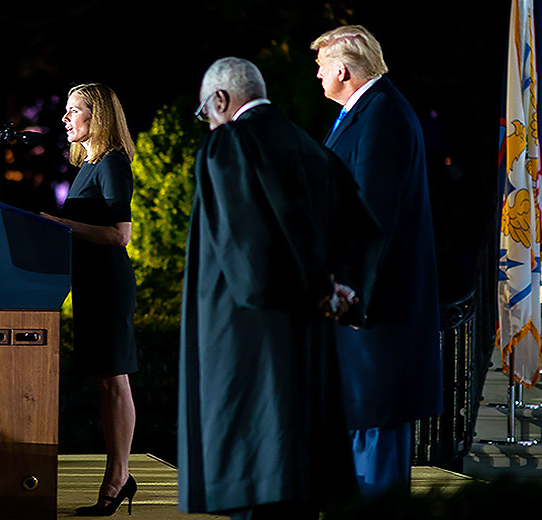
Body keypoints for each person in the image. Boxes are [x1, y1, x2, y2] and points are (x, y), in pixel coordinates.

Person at [177, 57, 382, 519]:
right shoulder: (315, 150)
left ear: (221, 100)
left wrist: (308, 288)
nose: (208, 123)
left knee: (259, 485)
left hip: (250, 342)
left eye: (205, 113)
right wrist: (339, 291)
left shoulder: (229, 145)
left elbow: (248, 247)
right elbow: (364, 230)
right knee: (300, 494)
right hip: (312, 343)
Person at [311, 25, 442, 496]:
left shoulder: (382, 113)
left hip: (376, 309)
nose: (318, 74)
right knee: (362, 428)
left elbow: (371, 216)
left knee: (377, 433)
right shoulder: (365, 111)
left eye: (321, 65)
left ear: (343, 69)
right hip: (365, 309)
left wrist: (345, 289)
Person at [41, 83, 139, 516]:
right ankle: (119, 475)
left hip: (109, 284)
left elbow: (120, 235)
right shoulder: (88, 165)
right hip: (89, 284)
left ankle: (118, 478)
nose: (64, 119)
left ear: (96, 116)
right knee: (104, 381)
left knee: (113, 380)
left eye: (73, 110)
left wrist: (58, 224)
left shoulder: (113, 162)